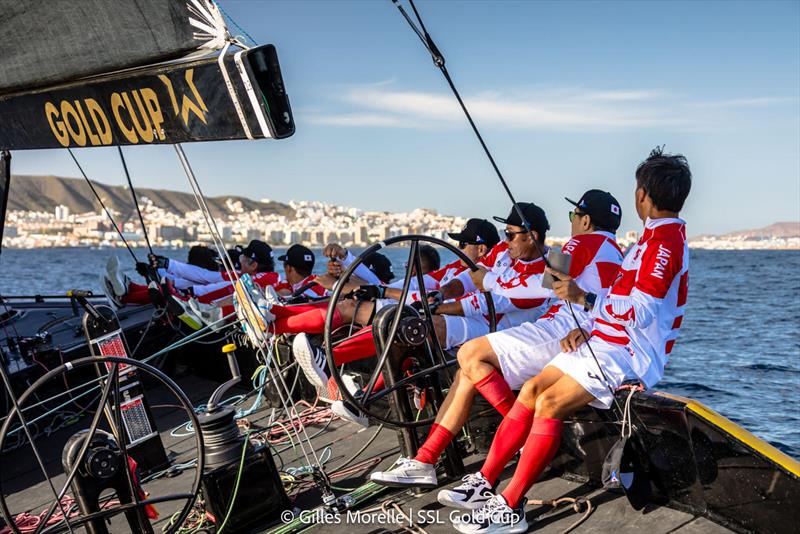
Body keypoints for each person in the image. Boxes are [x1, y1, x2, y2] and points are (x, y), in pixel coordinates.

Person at [451, 148, 691, 534]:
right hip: (604, 339)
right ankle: (486, 482)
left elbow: (641, 310)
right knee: (531, 388)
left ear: (643, 194)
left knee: (548, 402)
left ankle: (511, 506)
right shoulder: (647, 241)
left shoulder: (662, 245)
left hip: (629, 355)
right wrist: (590, 322)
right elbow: (618, 299)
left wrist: (586, 301)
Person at [370, 191, 625, 492]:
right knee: (466, 369)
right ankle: (425, 459)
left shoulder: (583, 242)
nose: (571, 223)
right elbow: (611, 303)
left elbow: (544, 287)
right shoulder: (618, 252)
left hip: (561, 328)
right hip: (575, 330)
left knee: (470, 354)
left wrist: (489, 282)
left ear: (585, 220)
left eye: (573, 217)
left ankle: (511, 440)